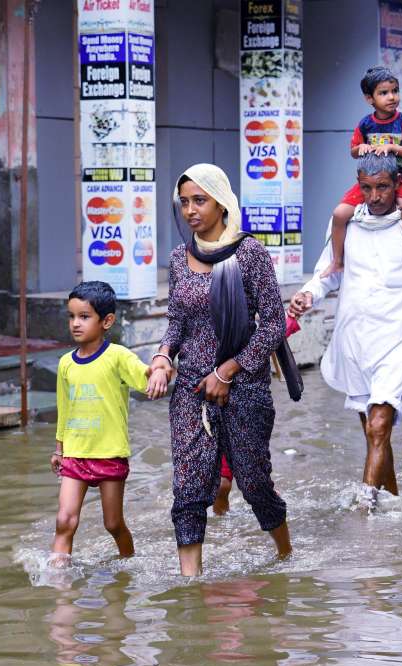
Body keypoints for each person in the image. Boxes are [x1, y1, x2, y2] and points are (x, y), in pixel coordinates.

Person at [289, 153, 402, 511]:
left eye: (383, 187)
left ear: (397, 184)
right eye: (367, 188)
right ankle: (393, 500)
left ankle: (364, 509)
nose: (375, 196)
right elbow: (329, 271)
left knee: (380, 423)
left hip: (399, 334)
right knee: (374, 429)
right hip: (357, 336)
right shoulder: (349, 222)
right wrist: (308, 293)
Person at [151, 163, 292, 576]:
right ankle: (189, 584)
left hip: (244, 387)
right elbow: (177, 321)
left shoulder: (249, 253)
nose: (191, 210)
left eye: (200, 200)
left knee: (253, 483)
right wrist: (162, 357)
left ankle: (285, 555)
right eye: (184, 202)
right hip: (192, 389)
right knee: (190, 488)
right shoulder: (180, 259)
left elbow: (272, 325)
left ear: (221, 201)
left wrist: (229, 369)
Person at [49, 281, 169, 564]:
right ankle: (57, 580)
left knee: (113, 524)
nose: (75, 324)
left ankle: (129, 561)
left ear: (107, 321)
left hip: (110, 455)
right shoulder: (66, 363)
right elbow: (63, 410)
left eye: (84, 317)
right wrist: (59, 449)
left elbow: (145, 377)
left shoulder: (118, 357)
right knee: (65, 520)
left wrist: (160, 373)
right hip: (75, 455)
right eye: (71, 317)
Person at [324, 67, 402, 292]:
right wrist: (360, 147)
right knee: (339, 214)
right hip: (372, 183)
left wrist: (392, 147)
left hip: (400, 181)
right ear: (369, 98)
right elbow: (353, 151)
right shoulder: (365, 124)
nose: (392, 97)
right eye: (384, 92)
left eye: (395, 91)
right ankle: (337, 261)